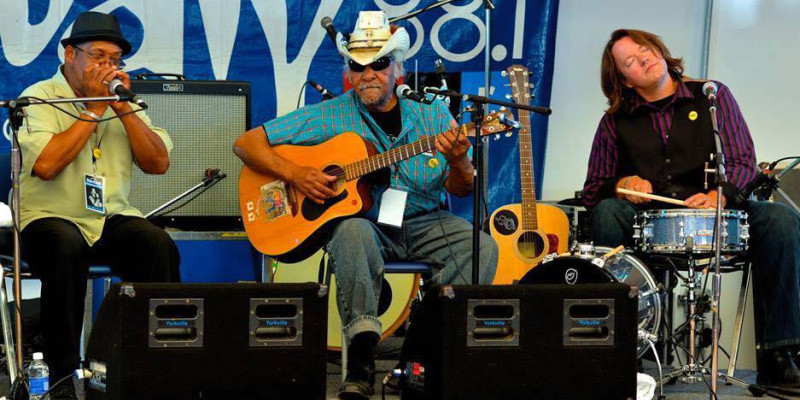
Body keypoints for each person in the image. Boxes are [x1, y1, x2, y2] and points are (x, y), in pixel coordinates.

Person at [234, 11, 497, 400]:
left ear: (398, 70)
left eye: (379, 63)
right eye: (358, 66)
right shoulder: (330, 114)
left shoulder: (434, 115)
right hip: (368, 226)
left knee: (480, 248)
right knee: (352, 229)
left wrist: (459, 158)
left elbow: (460, 189)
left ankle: (416, 357)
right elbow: (247, 143)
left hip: (425, 221)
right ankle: (360, 361)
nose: (368, 74)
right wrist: (295, 174)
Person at [583, 28, 800, 388]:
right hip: (651, 221)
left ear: (659, 49)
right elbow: (593, 189)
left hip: (720, 214)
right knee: (606, 212)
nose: (644, 58)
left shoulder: (712, 96)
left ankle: (780, 355)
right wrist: (621, 186)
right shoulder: (614, 121)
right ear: (623, 79)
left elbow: (744, 161)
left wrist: (722, 195)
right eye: (630, 61)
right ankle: (621, 353)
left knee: (780, 219)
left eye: (645, 48)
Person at [17, 11, 181, 398]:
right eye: (98, 56)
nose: (107, 67)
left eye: (114, 60)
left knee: (156, 244)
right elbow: (46, 165)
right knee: (64, 245)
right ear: (71, 54)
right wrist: (93, 110)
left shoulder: (122, 101)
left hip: (107, 216)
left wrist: (122, 109)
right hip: (47, 217)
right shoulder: (39, 97)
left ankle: (152, 369)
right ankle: (61, 377)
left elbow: (157, 164)